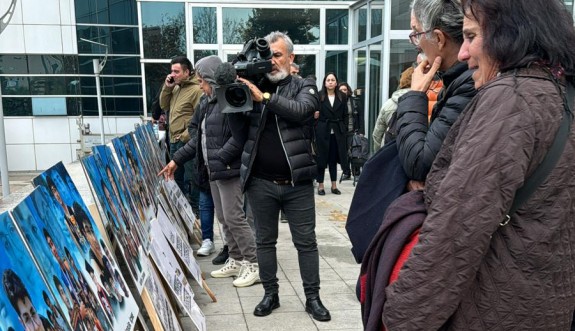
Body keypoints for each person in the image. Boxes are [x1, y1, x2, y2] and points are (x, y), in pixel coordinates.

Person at [382, 0, 575, 329]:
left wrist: (399, 317)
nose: (462, 53)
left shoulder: (510, 100)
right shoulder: (561, 94)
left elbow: (456, 232)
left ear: (509, 35)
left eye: (471, 36)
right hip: (546, 305)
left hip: (493, 308)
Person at [235, 31, 331, 321]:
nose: (272, 61)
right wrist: (234, 97)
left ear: (291, 58)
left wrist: (263, 96)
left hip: (297, 184)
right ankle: (270, 294)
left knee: (306, 243)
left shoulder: (305, 85)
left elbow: (301, 111)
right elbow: (239, 134)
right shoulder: (253, 88)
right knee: (264, 242)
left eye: (277, 55)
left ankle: (312, 297)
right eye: (268, 56)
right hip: (261, 183)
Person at [159, 55, 259, 288]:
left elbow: (240, 137)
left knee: (235, 218)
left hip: (228, 170)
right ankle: (235, 258)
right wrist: (176, 160)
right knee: (224, 219)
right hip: (212, 170)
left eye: (202, 81)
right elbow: (197, 136)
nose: (200, 86)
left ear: (213, 80)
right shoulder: (206, 103)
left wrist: (219, 157)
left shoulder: (230, 101)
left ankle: (253, 263)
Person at [390, 0, 476, 192]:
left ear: (438, 38)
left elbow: (420, 164)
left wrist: (414, 96)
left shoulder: (470, 84)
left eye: (416, 33)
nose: (415, 43)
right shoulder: (457, 80)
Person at [159, 56, 203, 215]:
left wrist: (184, 136)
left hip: (186, 141)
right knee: (176, 178)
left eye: (177, 71)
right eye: (172, 71)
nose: (173, 74)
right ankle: (182, 212)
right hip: (173, 140)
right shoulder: (175, 88)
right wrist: (167, 87)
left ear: (187, 72)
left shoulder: (196, 90)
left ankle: (196, 211)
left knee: (191, 178)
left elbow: (199, 117)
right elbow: (163, 105)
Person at [314, 72, 350, 195]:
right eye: (328, 80)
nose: (330, 82)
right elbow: (314, 112)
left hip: (337, 131)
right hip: (323, 130)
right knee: (321, 159)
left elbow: (346, 114)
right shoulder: (319, 96)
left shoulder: (342, 96)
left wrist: (344, 128)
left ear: (336, 82)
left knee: (333, 159)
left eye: (332, 80)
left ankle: (334, 186)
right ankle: (321, 185)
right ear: (325, 82)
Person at [372, 67, 413, 150]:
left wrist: (378, 153)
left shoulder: (388, 104)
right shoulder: (424, 102)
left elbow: (377, 134)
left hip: (389, 149)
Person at [338, 82, 364, 177]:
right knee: (343, 153)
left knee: (354, 151)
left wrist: (361, 131)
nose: (343, 92)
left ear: (348, 91)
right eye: (341, 90)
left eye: (345, 90)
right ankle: (346, 172)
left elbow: (361, 117)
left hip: (353, 130)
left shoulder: (355, 101)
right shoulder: (336, 101)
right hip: (341, 131)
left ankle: (356, 172)